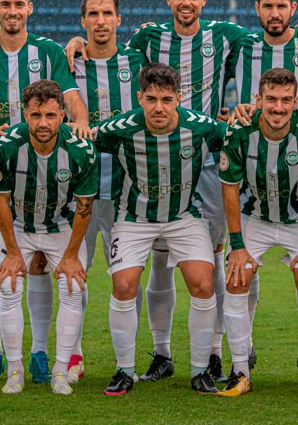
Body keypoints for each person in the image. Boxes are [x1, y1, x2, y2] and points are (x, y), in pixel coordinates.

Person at [64, 0, 298, 384]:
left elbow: (276, 29)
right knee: (161, 263)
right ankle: (161, 353)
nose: (186, 3)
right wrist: (77, 43)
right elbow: (106, 45)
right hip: (158, 161)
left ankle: (218, 353)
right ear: (168, 0)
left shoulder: (224, 35)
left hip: (209, 162)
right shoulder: (148, 39)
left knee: (221, 260)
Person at [0, 0, 89, 387]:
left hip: (48, 171)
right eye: (6, 4)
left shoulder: (48, 51)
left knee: (38, 263)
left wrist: (82, 119)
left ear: (29, 8)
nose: (12, 11)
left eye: (19, 4)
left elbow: (67, 95)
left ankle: (37, 353)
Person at [91, 62, 226, 396]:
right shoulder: (119, 129)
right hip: (134, 217)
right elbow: (83, 141)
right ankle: (124, 370)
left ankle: (200, 371)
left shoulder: (202, 128)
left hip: (184, 216)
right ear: (139, 97)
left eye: (166, 99)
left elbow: (238, 139)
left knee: (203, 283)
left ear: (179, 97)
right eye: (151, 99)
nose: (159, 108)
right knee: (123, 285)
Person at [218, 68, 298, 398]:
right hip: (255, 217)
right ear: (258, 100)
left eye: (285, 100)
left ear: (296, 102)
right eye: (271, 100)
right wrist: (237, 245)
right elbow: (229, 189)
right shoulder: (240, 130)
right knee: (236, 277)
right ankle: (240, 369)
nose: (278, 108)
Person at [0, 79, 97, 395]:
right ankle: (14, 370)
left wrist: (71, 255)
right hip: (19, 228)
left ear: (63, 115)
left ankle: (61, 371)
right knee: (8, 285)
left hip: (61, 228)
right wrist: (12, 252)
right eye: (36, 116)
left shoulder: (81, 150)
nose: (43, 123)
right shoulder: (5, 145)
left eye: (51, 115)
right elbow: (0, 200)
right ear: (25, 114)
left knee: (72, 284)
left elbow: (84, 206)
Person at [69, 0, 148, 385]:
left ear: (120, 20)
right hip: (77, 191)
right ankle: (73, 355)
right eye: (93, 14)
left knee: (125, 281)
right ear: (83, 21)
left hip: (125, 192)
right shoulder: (68, 64)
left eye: (107, 14)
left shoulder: (138, 61)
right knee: (74, 275)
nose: (101, 21)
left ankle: (125, 364)